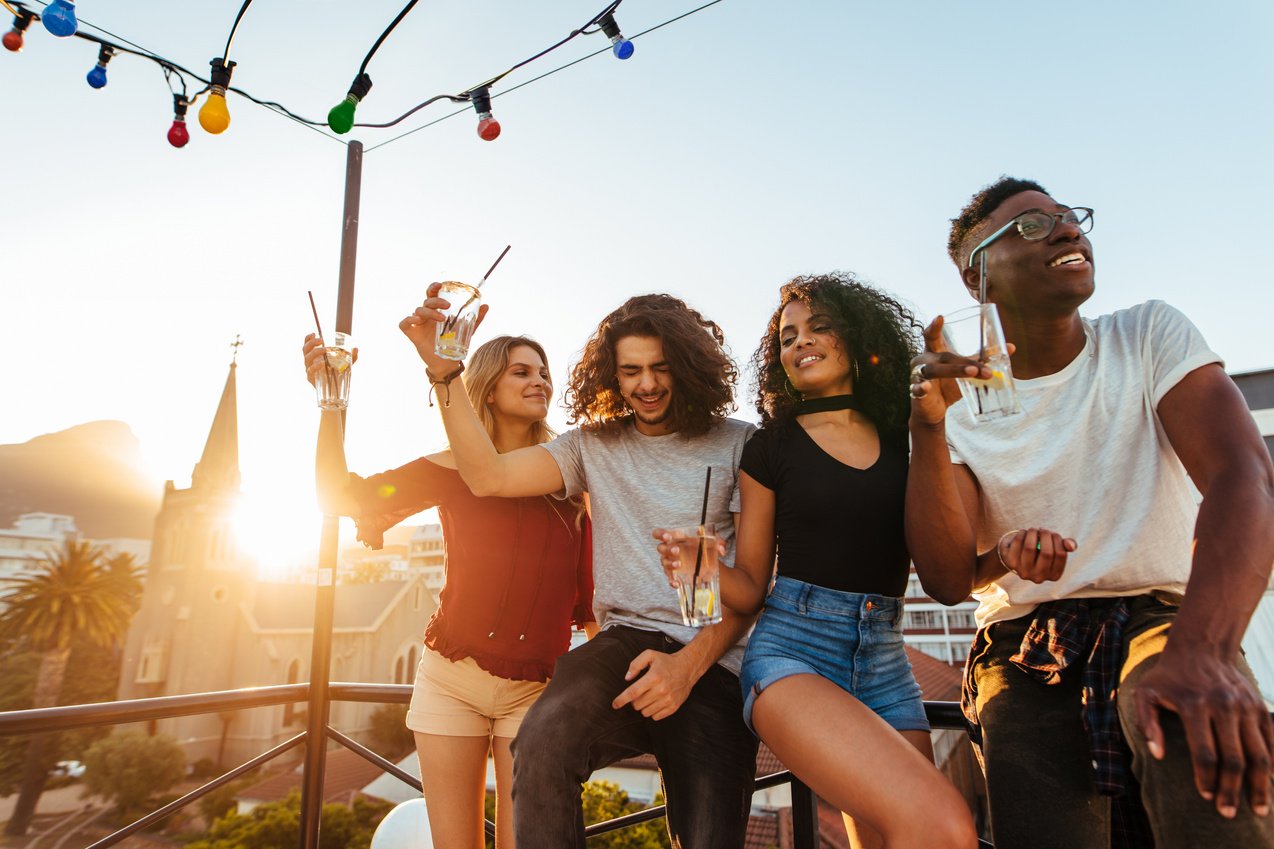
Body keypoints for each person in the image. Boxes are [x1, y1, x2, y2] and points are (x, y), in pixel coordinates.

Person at [906, 176, 1274, 848]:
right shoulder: (957, 400)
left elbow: (1244, 473)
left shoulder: (1146, 334)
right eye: (1029, 226)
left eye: (1068, 218)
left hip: (1163, 611)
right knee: (1040, 803)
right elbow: (948, 578)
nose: (1069, 231)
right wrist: (927, 430)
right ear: (974, 275)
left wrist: (1207, 650)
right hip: (1024, 641)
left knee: (1195, 726)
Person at [398, 289, 759, 849]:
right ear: (611, 376)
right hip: (620, 645)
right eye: (631, 370)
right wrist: (445, 373)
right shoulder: (593, 445)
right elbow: (487, 477)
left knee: (709, 834)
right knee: (540, 740)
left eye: (661, 367)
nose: (646, 385)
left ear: (689, 364)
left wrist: (687, 666)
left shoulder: (741, 444)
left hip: (711, 655)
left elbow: (755, 591)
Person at [655, 273, 977, 849]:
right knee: (942, 825)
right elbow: (751, 586)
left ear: (857, 339)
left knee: (893, 836)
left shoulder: (906, 434)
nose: (800, 341)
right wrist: (694, 565)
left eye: (819, 328)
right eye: (787, 335)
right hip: (792, 653)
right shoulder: (771, 445)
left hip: (885, 659)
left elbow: (950, 565)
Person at [303, 333, 596, 849]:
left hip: (537, 691)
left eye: (542, 372)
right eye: (521, 372)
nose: (539, 381)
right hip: (450, 683)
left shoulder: (569, 476)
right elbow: (339, 494)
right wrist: (331, 400)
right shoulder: (449, 468)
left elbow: (589, 595)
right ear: (485, 389)